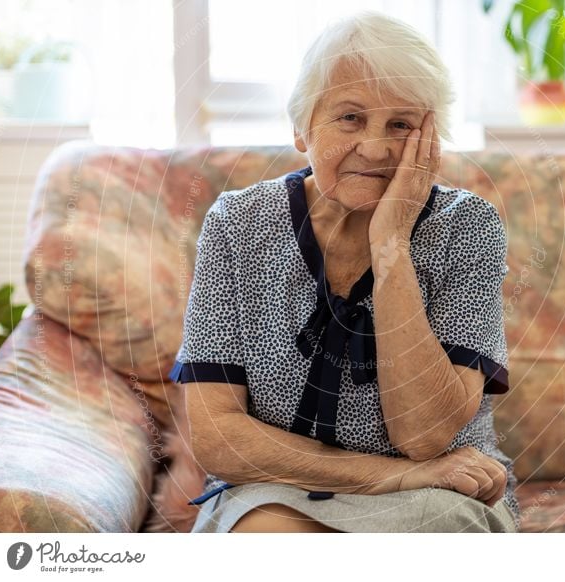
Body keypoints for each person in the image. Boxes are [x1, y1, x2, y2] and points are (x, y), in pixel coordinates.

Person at [169, 10, 520, 533]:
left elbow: (425, 439)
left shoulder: (467, 227)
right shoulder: (237, 226)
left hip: (436, 492)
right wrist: (386, 476)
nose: (375, 148)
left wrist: (392, 247)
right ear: (301, 128)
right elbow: (218, 437)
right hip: (276, 490)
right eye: (350, 118)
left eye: (401, 124)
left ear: (431, 141)